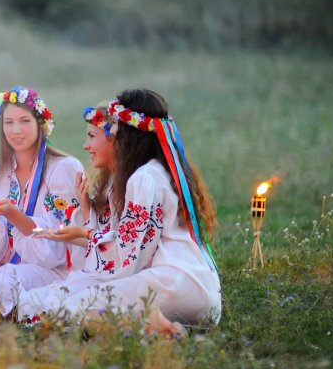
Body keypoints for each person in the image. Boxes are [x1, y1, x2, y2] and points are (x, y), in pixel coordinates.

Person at [17, 89, 221, 332]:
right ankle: (169, 328)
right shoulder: (160, 170)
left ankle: (156, 329)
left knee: (67, 310)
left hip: (172, 282)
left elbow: (130, 256)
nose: (111, 131)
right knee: (73, 304)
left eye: (115, 126)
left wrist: (86, 236)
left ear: (129, 133)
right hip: (203, 289)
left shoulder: (144, 178)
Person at [0, 86, 86, 318]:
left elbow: (60, 246)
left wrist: (14, 215)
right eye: (8, 122)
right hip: (6, 268)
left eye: (25, 121)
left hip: (52, 272)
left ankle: (12, 321)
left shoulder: (64, 168)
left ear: (40, 123)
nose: (16, 130)